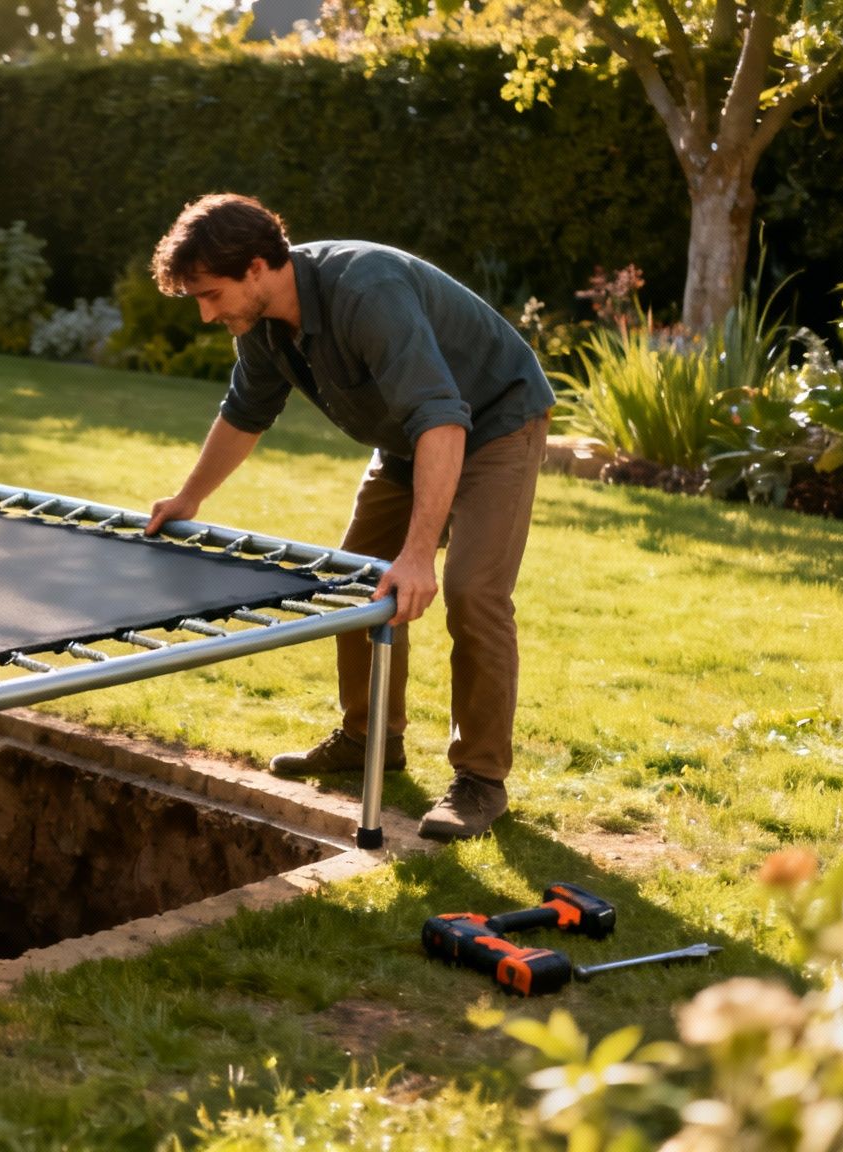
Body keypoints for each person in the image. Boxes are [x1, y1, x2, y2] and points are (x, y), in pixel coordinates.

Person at [142, 193, 553, 841]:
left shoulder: (367, 291)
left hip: (494, 424)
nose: (205, 312)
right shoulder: (263, 323)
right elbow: (246, 410)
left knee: (474, 592)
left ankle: (480, 780)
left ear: (256, 268)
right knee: (355, 580)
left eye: (211, 293)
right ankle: (370, 741)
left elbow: (442, 417)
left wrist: (418, 555)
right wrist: (188, 498)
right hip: (407, 438)